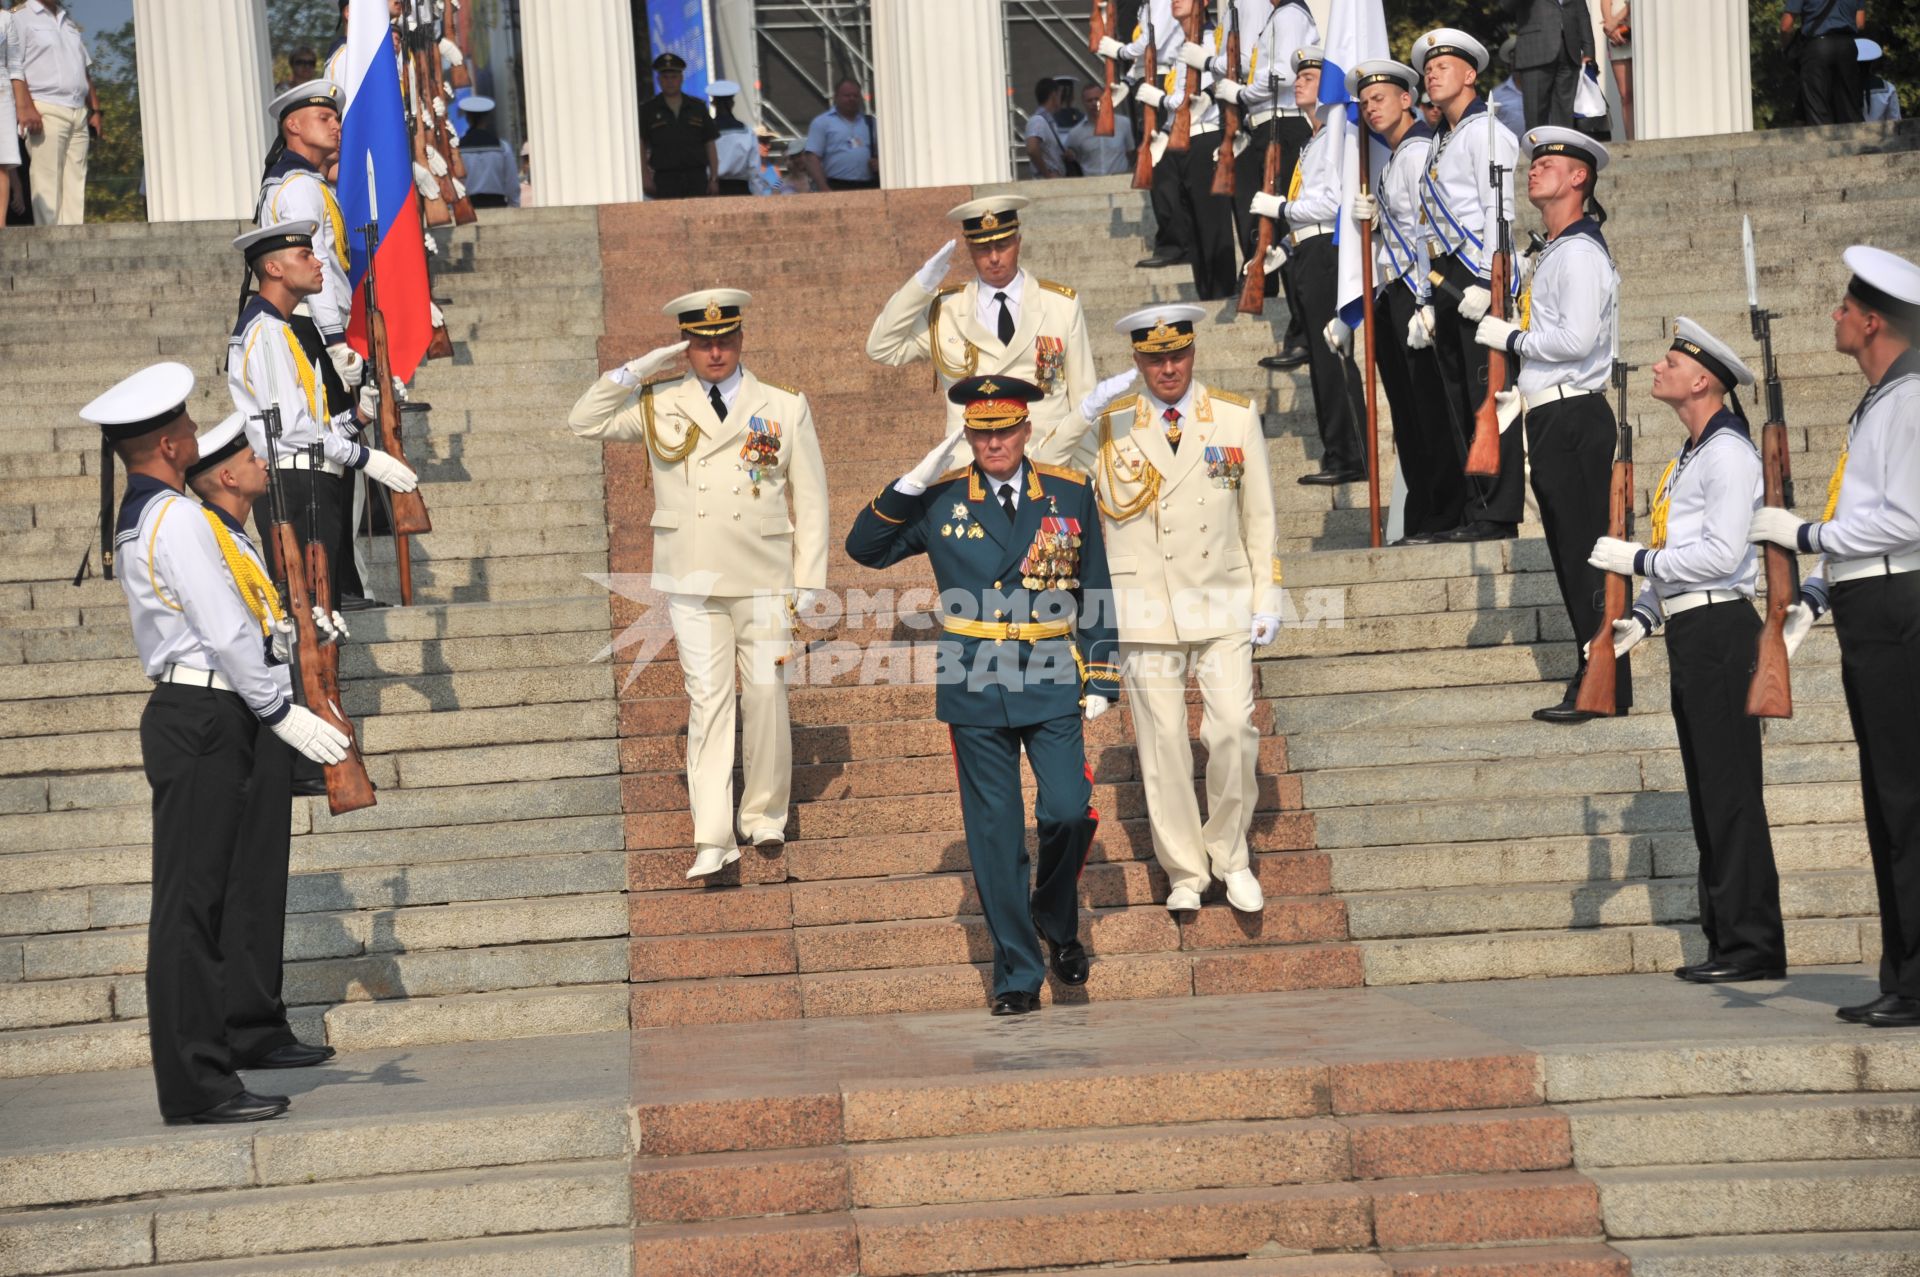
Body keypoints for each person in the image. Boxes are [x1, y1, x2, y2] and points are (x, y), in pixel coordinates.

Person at [82, 364, 349, 1124]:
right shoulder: (179, 520)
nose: (198, 440)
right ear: (169, 445)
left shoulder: (150, 513)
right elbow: (224, 628)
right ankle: (199, 1080)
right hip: (203, 714)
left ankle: (205, 1068)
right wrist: (279, 709)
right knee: (191, 909)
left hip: (197, 714)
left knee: (195, 904)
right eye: (191, 431)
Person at [844, 375, 1119, 1015]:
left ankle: (1055, 914)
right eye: (981, 432)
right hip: (974, 677)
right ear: (967, 437)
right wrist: (910, 482)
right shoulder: (939, 501)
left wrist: (1102, 670)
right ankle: (1018, 974)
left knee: (1068, 810)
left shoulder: (1071, 493)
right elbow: (865, 550)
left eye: (1005, 429)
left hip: (1050, 668)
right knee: (995, 834)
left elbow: (1096, 587)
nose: (994, 441)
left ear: (1027, 431)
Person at [567, 290, 828, 878]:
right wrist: (638, 369)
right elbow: (583, 421)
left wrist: (809, 577)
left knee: (765, 693)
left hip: (764, 574)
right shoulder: (660, 401)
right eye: (702, 342)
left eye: (725, 339)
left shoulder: (783, 405)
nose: (715, 351)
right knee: (708, 701)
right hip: (691, 574)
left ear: (741, 338)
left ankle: (763, 815)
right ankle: (712, 834)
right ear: (686, 346)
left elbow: (810, 496)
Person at [1749, 246, 1920, 1028]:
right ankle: (1904, 970)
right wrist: (1819, 586)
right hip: (1869, 600)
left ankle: (1914, 981)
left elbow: (1908, 518)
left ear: (1874, 319)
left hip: (1897, 604)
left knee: (1904, 798)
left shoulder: (1910, 399)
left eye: (1845, 307)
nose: (1835, 316)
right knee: (1890, 799)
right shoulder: (1881, 400)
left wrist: (1810, 534)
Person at [1587, 318, 1785, 984]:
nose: (1656, 368)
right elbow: (1684, 558)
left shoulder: (1728, 453)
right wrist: (1643, 610)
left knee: (1730, 792)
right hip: (1692, 628)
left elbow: (1726, 554)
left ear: (1703, 379)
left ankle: (1752, 944)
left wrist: (1639, 557)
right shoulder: (1691, 454)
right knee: (1709, 792)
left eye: (1669, 361)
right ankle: (1729, 937)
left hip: (1724, 630)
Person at [1084, 306, 1279, 915]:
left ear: (1192, 353)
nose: (1167, 368)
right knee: (1162, 744)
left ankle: (1232, 854)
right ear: (1136, 361)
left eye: (1177, 355)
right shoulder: (1112, 425)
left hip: (1222, 599)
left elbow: (1262, 518)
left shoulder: (1233, 417)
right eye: (1153, 358)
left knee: (1232, 733)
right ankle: (1186, 871)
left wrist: (1268, 596)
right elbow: (1039, 448)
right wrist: (1085, 410)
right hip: (1144, 605)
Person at [1466, 126, 1627, 722]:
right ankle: (1598, 671)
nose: (1534, 170)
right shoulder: (1558, 248)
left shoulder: (1580, 251)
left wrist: (1512, 336)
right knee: (1570, 548)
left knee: (1584, 550)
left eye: (1549, 163)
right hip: (1553, 412)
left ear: (1579, 177)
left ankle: (1600, 674)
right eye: (1533, 163)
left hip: (1573, 411)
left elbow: (1579, 338)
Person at [228, 222, 420, 615]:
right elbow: (296, 432)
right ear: (275, 270)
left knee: (323, 618)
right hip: (296, 486)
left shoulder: (279, 329)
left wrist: (359, 417)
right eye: (305, 256)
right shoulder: (266, 333)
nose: (319, 263)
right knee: (312, 622)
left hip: (309, 479)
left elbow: (306, 426)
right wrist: (367, 459)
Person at [254, 81, 380, 611]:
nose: (334, 124)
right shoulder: (299, 188)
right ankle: (338, 583)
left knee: (334, 458)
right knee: (326, 460)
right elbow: (314, 269)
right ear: (293, 126)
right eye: (321, 116)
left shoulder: (304, 181)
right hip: (312, 329)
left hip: (314, 328)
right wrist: (333, 343)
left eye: (335, 116)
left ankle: (343, 579)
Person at [868, 195, 1098, 467]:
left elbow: (1085, 396)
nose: (993, 258)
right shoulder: (945, 310)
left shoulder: (1060, 304)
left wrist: (1086, 474)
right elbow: (881, 348)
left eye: (1002, 246)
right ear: (968, 249)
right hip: (970, 460)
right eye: (982, 249)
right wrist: (920, 286)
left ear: (1018, 243)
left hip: (1045, 456)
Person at [1412, 28, 1524, 544]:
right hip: (1445, 277)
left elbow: (1497, 210)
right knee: (1460, 396)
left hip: (1478, 276)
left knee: (1488, 391)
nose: (1431, 73)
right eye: (1428, 68)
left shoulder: (1487, 131)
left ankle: (1496, 511)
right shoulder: (1443, 138)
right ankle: (1472, 507)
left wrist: (1486, 277)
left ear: (1471, 75)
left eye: (1443, 66)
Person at [1348, 59, 1456, 542]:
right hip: (1395, 294)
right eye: (1366, 102)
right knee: (1411, 414)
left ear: (1407, 99)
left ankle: (1443, 510)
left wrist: (1425, 300)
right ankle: (1428, 510)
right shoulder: (1395, 157)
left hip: (1415, 296)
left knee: (1427, 412)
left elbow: (1428, 232)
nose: (1371, 109)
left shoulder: (1414, 153)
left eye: (1381, 99)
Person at [1250, 48, 1365, 485]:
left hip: (1326, 252)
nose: (1300, 81)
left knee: (1331, 356)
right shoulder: (1314, 139)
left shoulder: (1338, 134)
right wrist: (1282, 243)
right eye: (1298, 76)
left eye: (1312, 76)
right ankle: (1338, 452)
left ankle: (1350, 455)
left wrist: (1282, 207)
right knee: (1320, 359)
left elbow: (1333, 203)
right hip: (1305, 251)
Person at [1206, 0, 1318, 366]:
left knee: (1286, 229)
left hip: (1282, 125)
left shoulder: (1288, 15)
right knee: (1271, 230)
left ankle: (1303, 335)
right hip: (1269, 126)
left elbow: (1282, 76)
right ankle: (1298, 331)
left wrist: (1241, 94)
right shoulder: (1277, 15)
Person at [1136, 0, 1237, 301]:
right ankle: (1207, 294)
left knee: (1211, 226)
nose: (1174, 1)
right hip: (1178, 140)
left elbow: (1196, 97)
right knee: (1192, 229)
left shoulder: (1212, 40)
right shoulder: (1179, 46)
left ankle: (1222, 294)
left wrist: (1161, 99)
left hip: (1205, 137)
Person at [9, 0, 97, 225]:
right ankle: (48, 245)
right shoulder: (19, 17)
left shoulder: (68, 21)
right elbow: (12, 65)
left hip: (77, 109)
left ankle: (73, 244)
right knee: (47, 181)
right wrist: (25, 106)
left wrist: (95, 110)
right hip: (44, 106)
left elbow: (83, 69)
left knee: (75, 183)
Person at [1502, 0, 1596, 130]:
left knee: (1565, 114)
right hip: (1535, 49)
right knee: (1535, 114)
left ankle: (1562, 149)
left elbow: (1581, 11)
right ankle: (1538, 149)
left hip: (1569, 50)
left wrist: (1588, 49)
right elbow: (1506, 5)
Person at [639, 52, 717, 199]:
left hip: (696, 177)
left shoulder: (697, 107)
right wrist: (645, 177)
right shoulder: (648, 110)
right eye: (665, 77)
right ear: (658, 80)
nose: (670, 81)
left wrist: (713, 178)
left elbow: (710, 143)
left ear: (681, 78)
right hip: (665, 179)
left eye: (674, 77)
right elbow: (641, 145)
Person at [1782, 1, 1865, 126]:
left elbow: (1786, 26)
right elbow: (1860, 22)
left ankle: (1823, 141)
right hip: (1847, 47)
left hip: (1818, 47)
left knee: (1817, 108)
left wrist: (1787, 49)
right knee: (1849, 108)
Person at [800, 77, 878, 192]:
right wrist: (823, 187)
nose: (852, 99)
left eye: (855, 96)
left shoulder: (870, 122)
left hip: (868, 185)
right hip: (836, 185)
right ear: (836, 97)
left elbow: (883, 153)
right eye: (847, 95)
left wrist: (878, 162)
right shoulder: (822, 122)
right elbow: (812, 158)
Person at [1065, 80, 1136, 178]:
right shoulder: (1075, 133)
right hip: (1092, 186)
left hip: (1119, 183)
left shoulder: (1124, 124)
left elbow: (1131, 154)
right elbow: (1070, 159)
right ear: (1083, 102)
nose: (1094, 103)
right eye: (1089, 100)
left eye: (1097, 99)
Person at [457, 94, 517, 208]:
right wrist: (514, 207)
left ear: (467, 118)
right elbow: (512, 185)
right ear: (486, 118)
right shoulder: (502, 148)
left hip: (468, 210)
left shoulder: (457, 150)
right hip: (497, 207)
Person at [708, 80, 756, 196]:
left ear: (713, 103)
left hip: (712, 188)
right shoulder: (747, 131)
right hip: (740, 190)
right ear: (732, 103)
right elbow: (754, 169)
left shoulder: (705, 132)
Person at [1024, 76, 1075, 179]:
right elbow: (1032, 149)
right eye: (1060, 95)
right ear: (1054, 95)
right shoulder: (1038, 120)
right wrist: (1047, 174)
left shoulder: (1048, 122)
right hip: (1047, 181)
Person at [1600, 0, 1633, 139]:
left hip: (1641, 28)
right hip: (1618, 34)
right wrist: (1610, 27)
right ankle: (1632, 141)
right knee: (1626, 95)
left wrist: (1616, 19)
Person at [0, 3, 19, 226]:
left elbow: (15, 64)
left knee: (1, 162)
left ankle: (1, 229)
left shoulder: (6, 19)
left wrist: (20, 102)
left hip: (2, 91)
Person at [1859, 39, 1903, 121]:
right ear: (1872, 63)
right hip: (1882, 133)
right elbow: (1895, 120)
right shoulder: (1889, 88)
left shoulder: (1841, 89)